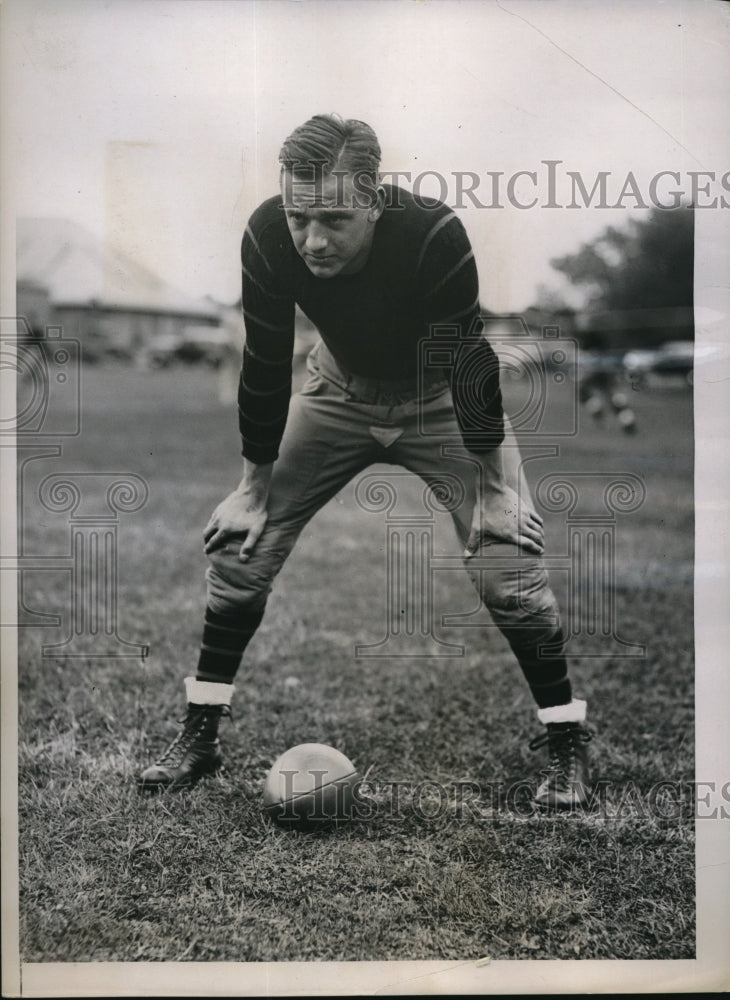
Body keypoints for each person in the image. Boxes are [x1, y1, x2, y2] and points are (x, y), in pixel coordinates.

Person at [138, 114, 592, 809]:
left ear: (376, 201)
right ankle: (199, 736)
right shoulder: (266, 234)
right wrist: (250, 488)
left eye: (335, 219)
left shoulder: (433, 235)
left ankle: (566, 745)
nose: (313, 240)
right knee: (239, 553)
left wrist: (498, 490)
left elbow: (469, 363)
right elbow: (264, 363)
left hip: (438, 398)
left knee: (508, 573)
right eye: (299, 216)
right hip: (336, 393)